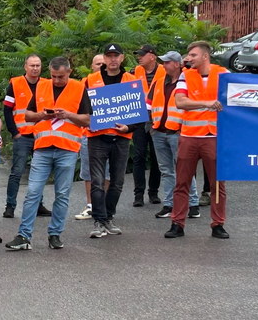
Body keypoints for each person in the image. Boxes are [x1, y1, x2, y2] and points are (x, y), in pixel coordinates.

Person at [6, 56, 91, 251]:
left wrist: (67, 115)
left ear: (69, 72)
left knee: (62, 194)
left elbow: (87, 120)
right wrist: (42, 115)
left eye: (61, 76)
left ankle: (55, 234)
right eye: (53, 76)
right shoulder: (42, 87)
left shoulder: (79, 88)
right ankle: (24, 235)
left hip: (67, 149)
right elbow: (27, 115)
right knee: (33, 192)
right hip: (43, 148)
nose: (57, 80)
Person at [166, 41, 229, 239]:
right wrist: (207, 103)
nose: (188, 58)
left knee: (217, 184)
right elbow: (180, 102)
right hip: (189, 136)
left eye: (193, 55)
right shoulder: (186, 75)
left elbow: (239, 97)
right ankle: (177, 223)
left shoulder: (223, 74)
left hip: (213, 136)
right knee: (182, 182)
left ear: (205, 56)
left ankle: (218, 224)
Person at [83, 43, 139, 238]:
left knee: (117, 182)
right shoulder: (90, 80)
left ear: (122, 58)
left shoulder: (131, 80)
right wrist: (89, 123)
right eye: (109, 56)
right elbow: (82, 107)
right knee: (97, 182)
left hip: (121, 138)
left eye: (116, 56)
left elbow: (140, 112)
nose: (113, 59)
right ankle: (99, 220)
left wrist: (129, 127)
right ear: (104, 59)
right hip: (97, 137)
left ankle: (108, 216)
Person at [2, 54, 51, 219]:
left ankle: (38, 205)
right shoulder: (15, 83)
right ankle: (10, 206)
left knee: (39, 172)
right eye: (32, 65)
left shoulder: (47, 84)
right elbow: (7, 110)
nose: (35, 68)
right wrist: (14, 132)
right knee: (17, 172)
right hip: (22, 136)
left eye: (38, 65)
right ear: (25, 66)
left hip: (41, 135)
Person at [150, 51, 197, 218]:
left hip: (178, 132)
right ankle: (169, 204)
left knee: (184, 169)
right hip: (159, 132)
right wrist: (151, 127)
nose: (163, 65)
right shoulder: (158, 82)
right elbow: (148, 104)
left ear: (177, 64)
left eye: (167, 62)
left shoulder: (188, 81)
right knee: (166, 171)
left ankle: (193, 204)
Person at [129, 44, 163, 206]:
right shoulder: (135, 72)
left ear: (152, 56)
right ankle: (138, 195)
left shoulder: (164, 71)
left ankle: (153, 192)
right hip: (139, 120)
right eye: (138, 55)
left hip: (157, 120)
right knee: (139, 156)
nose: (139, 57)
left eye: (142, 55)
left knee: (157, 158)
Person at [74, 53, 106, 220]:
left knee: (107, 172)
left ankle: (104, 205)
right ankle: (90, 205)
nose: (100, 66)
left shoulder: (115, 82)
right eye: (97, 64)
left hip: (110, 134)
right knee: (88, 172)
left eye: (103, 63)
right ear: (92, 66)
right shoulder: (85, 83)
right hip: (89, 133)